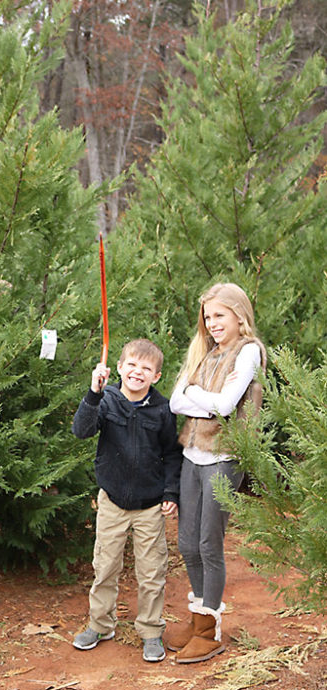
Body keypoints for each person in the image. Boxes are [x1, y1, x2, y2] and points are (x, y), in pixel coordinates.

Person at [168, 283, 266, 664]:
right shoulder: (206, 353)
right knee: (187, 544)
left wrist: (198, 397)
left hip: (224, 457)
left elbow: (227, 405)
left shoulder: (248, 352)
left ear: (239, 316)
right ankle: (198, 620)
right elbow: (177, 400)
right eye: (207, 317)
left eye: (219, 315)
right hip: (192, 454)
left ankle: (211, 630)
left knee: (209, 544)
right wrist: (200, 400)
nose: (211, 324)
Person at [71, 339, 182, 663]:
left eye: (146, 368)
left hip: (149, 506)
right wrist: (93, 392)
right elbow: (81, 430)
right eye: (132, 365)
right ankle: (100, 624)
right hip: (113, 502)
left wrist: (170, 493)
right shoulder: (106, 400)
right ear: (119, 367)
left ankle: (150, 631)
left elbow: (172, 454)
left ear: (157, 376)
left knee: (151, 572)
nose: (138, 372)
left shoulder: (162, 409)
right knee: (105, 566)